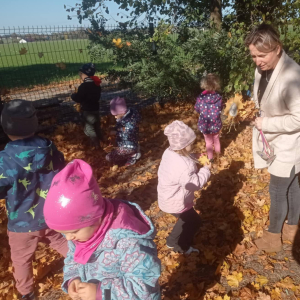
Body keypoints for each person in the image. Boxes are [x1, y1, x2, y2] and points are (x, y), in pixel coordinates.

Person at [43, 159, 161, 300]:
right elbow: (73, 258)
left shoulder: (129, 242)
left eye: (73, 232)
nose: (68, 238)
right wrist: (72, 278)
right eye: (64, 233)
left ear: (95, 218)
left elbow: (143, 288)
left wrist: (102, 292)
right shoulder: (83, 235)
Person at [0, 99, 68, 300]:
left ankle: (26, 292)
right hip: (50, 215)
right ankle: (83, 261)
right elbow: (60, 168)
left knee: (21, 259)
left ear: (5, 126)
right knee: (59, 240)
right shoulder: (49, 148)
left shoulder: (5, 159)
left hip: (21, 223)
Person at [245, 24, 300, 252]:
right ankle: (292, 228)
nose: (258, 61)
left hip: (289, 144)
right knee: (293, 186)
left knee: (278, 190)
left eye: (262, 55)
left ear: (277, 48)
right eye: (253, 56)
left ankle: (273, 235)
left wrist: (265, 123)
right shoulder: (263, 70)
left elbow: (298, 118)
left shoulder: (293, 76)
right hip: (277, 142)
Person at [157, 120, 211, 254]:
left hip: (167, 197)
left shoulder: (169, 152)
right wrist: (206, 169)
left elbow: (183, 158)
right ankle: (182, 246)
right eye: (190, 145)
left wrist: (194, 156)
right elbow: (194, 184)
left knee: (185, 219)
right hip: (176, 202)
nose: (192, 146)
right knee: (194, 221)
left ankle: (171, 241)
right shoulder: (183, 166)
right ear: (183, 146)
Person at [71, 63, 102, 149]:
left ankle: (96, 145)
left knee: (89, 129)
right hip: (96, 109)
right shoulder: (96, 85)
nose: (80, 75)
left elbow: (79, 98)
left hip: (88, 111)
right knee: (97, 127)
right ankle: (103, 140)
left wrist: (73, 96)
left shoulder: (84, 86)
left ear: (84, 74)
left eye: (80, 74)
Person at [194, 73, 223, 163]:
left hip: (205, 124)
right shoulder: (218, 98)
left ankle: (211, 158)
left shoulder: (200, 98)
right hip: (216, 123)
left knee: (209, 142)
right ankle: (218, 155)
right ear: (216, 85)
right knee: (216, 139)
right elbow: (220, 108)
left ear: (204, 84)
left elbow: (197, 109)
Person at [106, 97, 141, 166]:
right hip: (125, 144)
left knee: (109, 157)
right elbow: (121, 128)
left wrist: (116, 133)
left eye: (116, 115)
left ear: (122, 112)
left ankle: (133, 155)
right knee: (111, 154)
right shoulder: (125, 119)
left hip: (129, 146)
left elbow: (127, 133)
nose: (115, 117)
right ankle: (131, 152)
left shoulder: (129, 123)